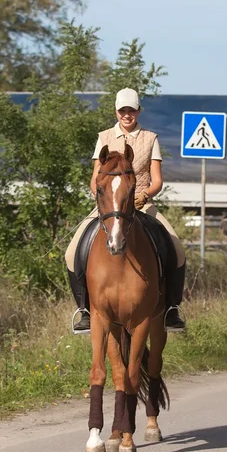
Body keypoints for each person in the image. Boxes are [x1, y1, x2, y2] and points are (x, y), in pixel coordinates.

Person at [65, 87, 187, 333]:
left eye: (131, 110)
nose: (127, 115)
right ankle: (85, 310)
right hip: (109, 207)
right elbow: (94, 178)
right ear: (116, 112)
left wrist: (145, 195)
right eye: (123, 111)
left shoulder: (150, 139)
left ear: (138, 111)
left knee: (178, 249)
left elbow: (157, 181)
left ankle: (171, 309)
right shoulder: (104, 137)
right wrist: (102, 198)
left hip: (142, 203)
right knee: (71, 253)